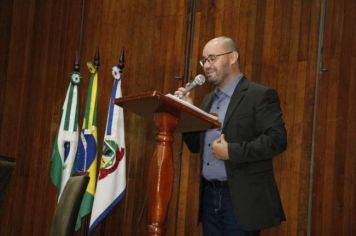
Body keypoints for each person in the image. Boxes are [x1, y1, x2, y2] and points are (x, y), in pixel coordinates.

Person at [174, 36, 287, 236]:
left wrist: (231, 152)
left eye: (212, 58)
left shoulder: (259, 95)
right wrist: (187, 112)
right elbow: (195, 146)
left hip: (241, 200)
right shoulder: (208, 100)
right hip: (209, 197)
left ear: (233, 57)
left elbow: (277, 140)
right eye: (204, 60)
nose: (206, 66)